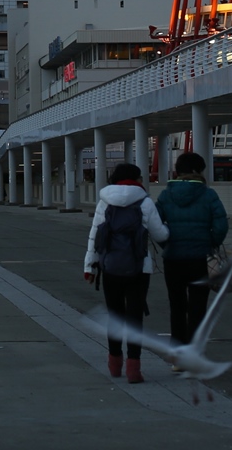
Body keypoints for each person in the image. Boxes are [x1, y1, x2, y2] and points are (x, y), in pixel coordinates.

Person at [83, 162, 169, 383]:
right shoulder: (145, 201)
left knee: (115, 315)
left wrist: (89, 266)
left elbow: (95, 235)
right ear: (136, 179)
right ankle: (133, 368)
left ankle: (114, 363)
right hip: (139, 268)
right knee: (134, 316)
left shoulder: (105, 201)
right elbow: (160, 234)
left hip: (110, 266)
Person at [154, 151, 230, 347]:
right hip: (200, 259)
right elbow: (221, 226)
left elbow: (155, 226)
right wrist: (210, 243)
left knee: (177, 305)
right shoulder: (208, 195)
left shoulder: (165, 195)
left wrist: (167, 244)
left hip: (173, 258)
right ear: (197, 171)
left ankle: (178, 349)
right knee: (198, 306)